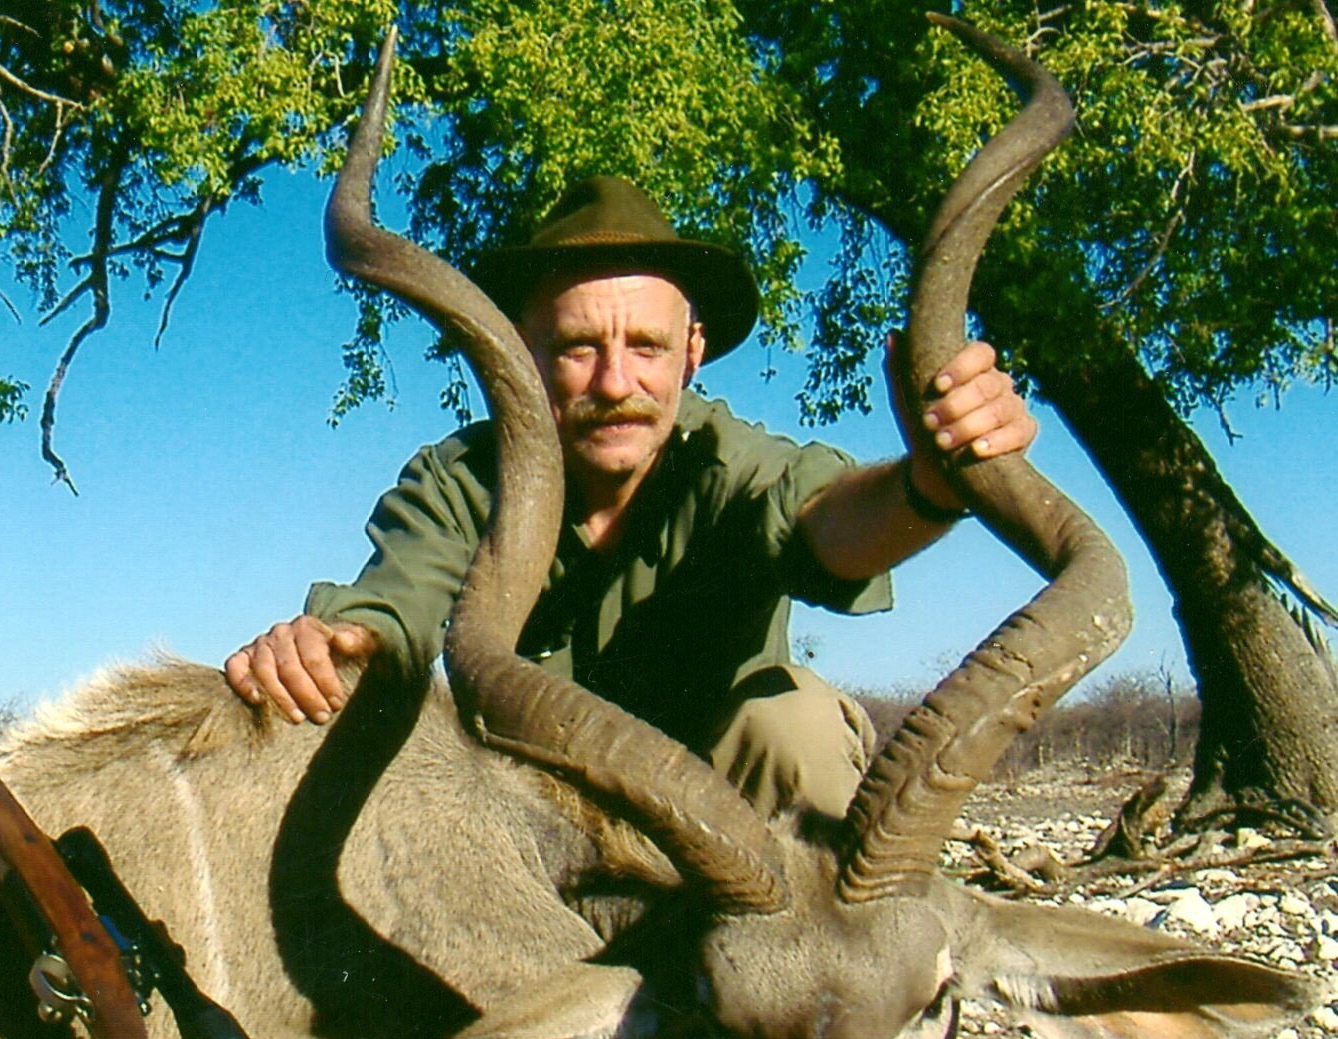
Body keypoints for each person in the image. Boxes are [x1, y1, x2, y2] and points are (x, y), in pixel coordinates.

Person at [223, 176, 1038, 817]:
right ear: (522, 352)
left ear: (691, 351)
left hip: (724, 844)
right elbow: (391, 610)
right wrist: (327, 649)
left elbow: (829, 524)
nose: (616, 383)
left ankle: (808, 1020)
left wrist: (928, 483)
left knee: (793, 730)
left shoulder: (730, 462)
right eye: (578, 347)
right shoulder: (461, 481)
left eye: (645, 345)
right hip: (532, 828)